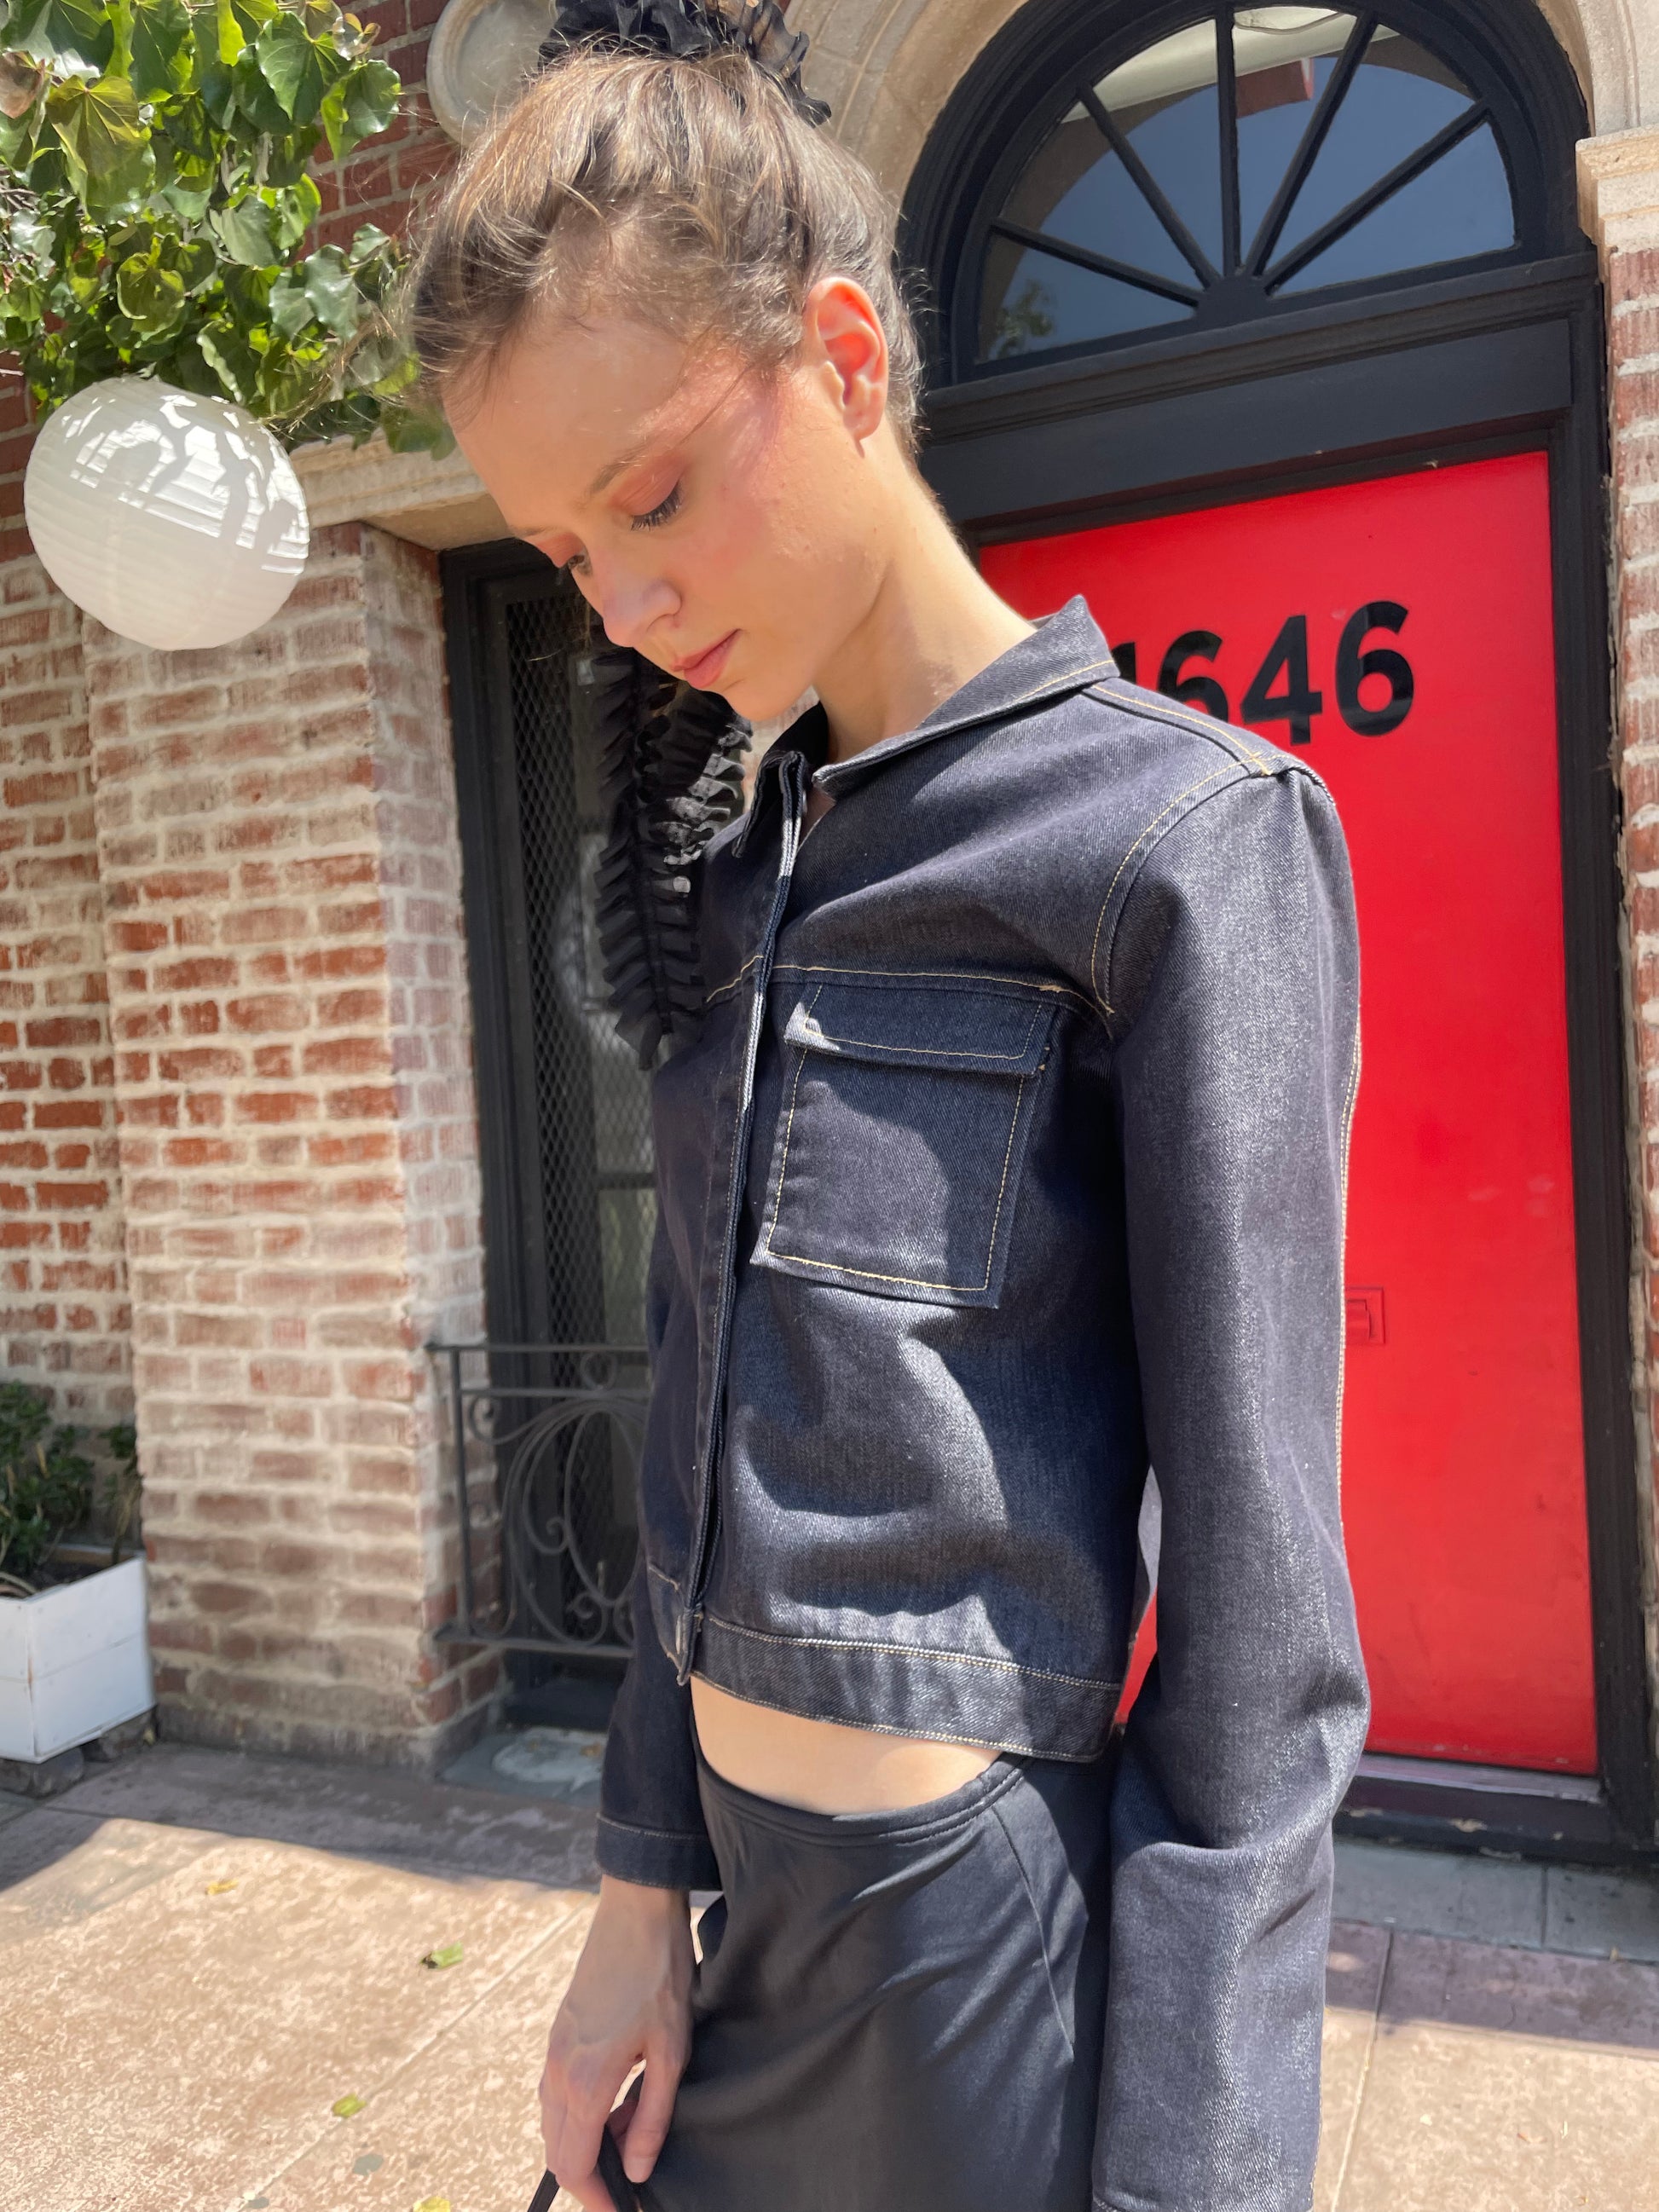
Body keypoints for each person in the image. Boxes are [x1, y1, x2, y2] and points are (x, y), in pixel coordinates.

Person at [406, 5, 1370, 2208]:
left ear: (843, 352)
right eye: (564, 551)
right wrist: (631, 1911)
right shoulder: (735, 873)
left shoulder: (1178, 844)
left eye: (645, 492)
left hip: (963, 1980)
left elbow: (1258, 1639)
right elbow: (688, 1463)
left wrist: (1192, 2178)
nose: (627, 604)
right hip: (731, 1935)